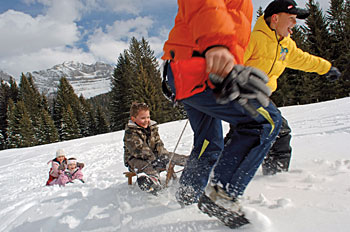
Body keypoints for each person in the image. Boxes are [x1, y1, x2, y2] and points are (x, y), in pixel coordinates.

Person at [162, 0, 282, 228]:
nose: (295, 23)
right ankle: (222, 196)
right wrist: (216, 43)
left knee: (209, 142)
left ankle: (187, 194)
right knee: (264, 120)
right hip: (199, 65)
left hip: (189, 70)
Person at [224, 0, 341, 175]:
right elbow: (232, 63)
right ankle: (276, 180)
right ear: (275, 18)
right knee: (279, 132)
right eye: (292, 18)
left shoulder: (286, 45)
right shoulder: (253, 39)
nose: (295, 23)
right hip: (244, 96)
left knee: (242, 137)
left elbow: (304, 59)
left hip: (259, 98)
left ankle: (213, 169)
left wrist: (326, 68)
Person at [123, 102, 188, 195]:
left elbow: (158, 143)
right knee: (147, 166)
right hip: (135, 160)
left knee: (172, 157)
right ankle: (152, 182)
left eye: (148, 117)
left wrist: (163, 155)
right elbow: (139, 150)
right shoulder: (131, 133)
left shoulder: (152, 128)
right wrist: (154, 160)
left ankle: (194, 163)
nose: (146, 120)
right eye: (143, 118)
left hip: (154, 155)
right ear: (133, 119)